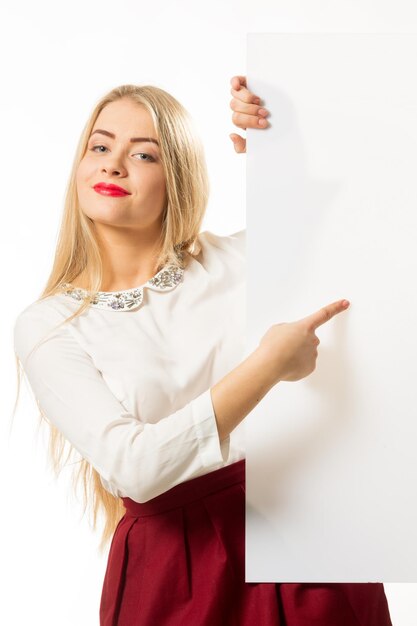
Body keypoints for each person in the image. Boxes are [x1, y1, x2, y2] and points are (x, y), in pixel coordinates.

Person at [12, 75, 393, 626]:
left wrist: (283, 136)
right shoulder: (50, 324)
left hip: (311, 541)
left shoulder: (240, 261)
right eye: (100, 146)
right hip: (177, 570)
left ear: (179, 176)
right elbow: (136, 468)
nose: (113, 165)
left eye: (144, 154)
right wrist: (269, 364)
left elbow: (372, 212)